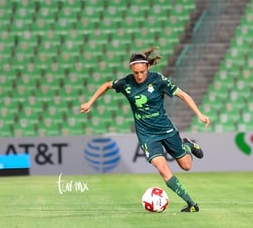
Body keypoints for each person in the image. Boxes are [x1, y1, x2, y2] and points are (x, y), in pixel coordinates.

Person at [80, 47, 210, 212]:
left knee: (186, 166)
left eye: (142, 71)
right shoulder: (126, 83)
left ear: (147, 67)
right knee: (162, 168)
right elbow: (107, 85)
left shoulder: (158, 80)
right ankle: (191, 204)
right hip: (147, 135)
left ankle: (187, 145)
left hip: (166, 129)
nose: (140, 76)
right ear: (131, 71)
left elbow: (183, 95)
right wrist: (89, 102)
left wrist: (199, 114)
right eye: (136, 73)